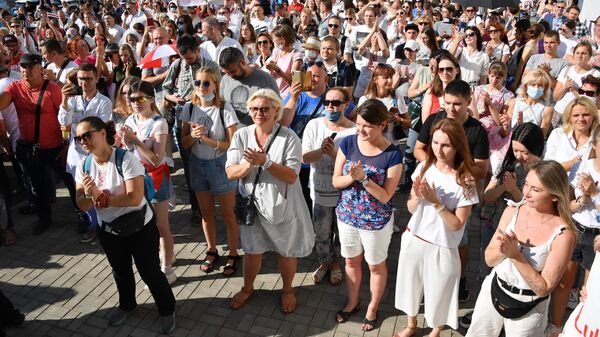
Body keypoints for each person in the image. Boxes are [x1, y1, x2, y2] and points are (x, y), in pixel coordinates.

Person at [73, 116, 176, 333]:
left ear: (102, 133)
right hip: (109, 229)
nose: (83, 141)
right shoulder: (84, 165)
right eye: (78, 138)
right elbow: (81, 205)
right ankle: (127, 305)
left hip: (139, 225)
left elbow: (134, 197)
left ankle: (167, 309)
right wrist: (91, 197)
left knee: (149, 271)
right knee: (120, 270)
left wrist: (101, 197)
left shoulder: (126, 159)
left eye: (87, 135)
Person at [225, 88, 315, 313]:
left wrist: (265, 162)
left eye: (265, 109)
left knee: (286, 251)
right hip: (251, 206)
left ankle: (287, 290)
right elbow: (230, 172)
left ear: (276, 110)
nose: (259, 113)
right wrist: (248, 165)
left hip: (281, 206)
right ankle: (247, 288)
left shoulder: (289, 137)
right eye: (254, 109)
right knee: (252, 250)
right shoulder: (241, 135)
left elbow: (292, 176)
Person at [465, 160, 577, 337]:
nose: (526, 193)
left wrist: (516, 256)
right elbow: (489, 259)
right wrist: (503, 249)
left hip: (528, 308)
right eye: (526, 184)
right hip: (494, 290)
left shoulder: (563, 235)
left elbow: (544, 288)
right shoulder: (512, 210)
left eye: (536, 189)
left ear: (555, 195)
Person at [394, 118, 478, 337]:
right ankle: (411, 325)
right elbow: (411, 208)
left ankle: (436, 331)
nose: (439, 150)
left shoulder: (465, 180)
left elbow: (458, 224)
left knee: (439, 292)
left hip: (442, 246)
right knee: (410, 286)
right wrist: (419, 197)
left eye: (446, 145)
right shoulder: (424, 167)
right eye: (435, 142)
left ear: (458, 146)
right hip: (415, 238)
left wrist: (436, 203)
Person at [332, 99, 403, 332]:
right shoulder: (348, 143)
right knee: (351, 261)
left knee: (375, 266)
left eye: (367, 126)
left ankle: (373, 307)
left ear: (382, 125)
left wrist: (363, 178)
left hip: (375, 222)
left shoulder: (393, 155)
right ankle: (353, 301)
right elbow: (336, 181)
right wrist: (352, 177)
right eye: (359, 124)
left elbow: (386, 196)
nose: (361, 130)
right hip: (347, 217)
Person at [0, 54, 85, 235]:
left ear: (40, 68)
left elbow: (65, 118)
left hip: (55, 147)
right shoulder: (14, 88)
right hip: (29, 148)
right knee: (37, 187)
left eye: (30, 67)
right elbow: (2, 103)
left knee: (70, 182)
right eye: (23, 67)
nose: (26, 71)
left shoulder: (53, 89)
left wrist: (65, 146)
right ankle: (44, 219)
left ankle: (82, 216)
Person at [179, 67, 240, 277]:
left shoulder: (225, 108)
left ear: (215, 85)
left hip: (220, 165)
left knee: (229, 214)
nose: (201, 88)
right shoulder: (189, 107)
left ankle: (233, 253)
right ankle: (212, 250)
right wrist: (194, 137)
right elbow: (183, 143)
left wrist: (206, 140)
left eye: (206, 83)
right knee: (206, 214)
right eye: (198, 83)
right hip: (198, 164)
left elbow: (233, 144)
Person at [547, 99, 600, 336]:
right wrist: (582, 199)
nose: (581, 119)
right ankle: (556, 326)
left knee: (589, 291)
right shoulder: (583, 165)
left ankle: (581, 329)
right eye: (576, 115)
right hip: (575, 224)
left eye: (586, 115)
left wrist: (593, 193)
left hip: (596, 236)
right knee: (563, 281)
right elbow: (573, 200)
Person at [120, 80, 177, 285]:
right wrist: (125, 141)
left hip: (156, 177)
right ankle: (162, 258)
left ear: (151, 99)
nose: (136, 102)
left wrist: (134, 140)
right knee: (145, 226)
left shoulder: (159, 123)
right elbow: (129, 152)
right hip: (136, 178)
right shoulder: (131, 119)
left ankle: (167, 268)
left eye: (141, 98)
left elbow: (155, 158)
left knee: (160, 226)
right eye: (132, 98)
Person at [302, 87, 355, 286]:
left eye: (335, 103)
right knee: (321, 233)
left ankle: (337, 265)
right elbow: (304, 158)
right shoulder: (314, 125)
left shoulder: (355, 131)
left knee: (341, 234)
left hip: (345, 194)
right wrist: (321, 151)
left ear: (346, 105)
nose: (330, 106)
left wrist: (334, 155)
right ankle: (325, 262)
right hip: (319, 191)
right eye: (327, 103)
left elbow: (353, 167)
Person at [59, 63, 113, 243]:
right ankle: (92, 224)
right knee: (81, 192)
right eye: (81, 79)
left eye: (89, 78)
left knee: (97, 189)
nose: (84, 82)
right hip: (76, 154)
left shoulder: (104, 102)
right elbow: (63, 122)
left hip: (94, 154)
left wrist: (77, 129)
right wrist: (64, 101)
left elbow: (98, 127)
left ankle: (101, 225)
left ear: (97, 78)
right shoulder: (72, 100)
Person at [470, 62, 515, 172]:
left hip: (493, 134)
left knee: (489, 167)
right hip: (478, 128)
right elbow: (473, 111)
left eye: (498, 77)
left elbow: (501, 122)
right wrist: (480, 112)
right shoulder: (479, 89)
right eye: (492, 76)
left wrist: (490, 105)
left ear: (504, 78)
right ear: (488, 74)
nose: (494, 80)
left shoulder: (507, 95)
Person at [219, 47, 279, 126]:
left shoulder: (265, 79)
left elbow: (277, 111)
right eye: (226, 73)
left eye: (233, 71)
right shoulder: (225, 79)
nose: (230, 76)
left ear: (242, 62)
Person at [553, 42, 600, 123]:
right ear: (573, 54)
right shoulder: (566, 70)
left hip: (578, 118)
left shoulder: (595, 74)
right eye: (577, 53)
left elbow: (594, 103)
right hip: (559, 113)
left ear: (589, 56)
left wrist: (575, 90)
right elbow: (555, 97)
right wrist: (565, 87)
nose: (580, 55)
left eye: (583, 53)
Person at [507, 69, 554, 137]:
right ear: (526, 86)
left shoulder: (547, 109)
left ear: (545, 88)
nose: (536, 88)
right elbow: (506, 129)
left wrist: (522, 126)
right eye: (533, 84)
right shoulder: (514, 102)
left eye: (540, 85)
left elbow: (541, 136)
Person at [266, 24, 303, 98]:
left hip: (286, 96)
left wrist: (277, 70)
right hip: (273, 93)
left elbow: (294, 82)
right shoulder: (276, 52)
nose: (273, 42)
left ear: (282, 39)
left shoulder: (296, 55)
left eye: (275, 39)